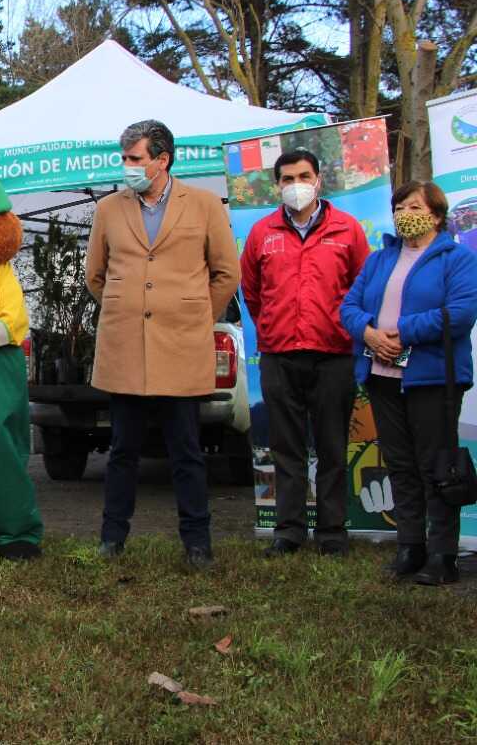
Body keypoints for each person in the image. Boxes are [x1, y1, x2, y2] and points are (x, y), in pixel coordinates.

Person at [85, 119, 241, 570]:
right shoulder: (110, 209)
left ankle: (197, 544)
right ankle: (112, 538)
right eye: (125, 158)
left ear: (162, 160)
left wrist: (195, 315)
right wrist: (127, 304)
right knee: (122, 450)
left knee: (186, 452)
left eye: (135, 158)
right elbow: (96, 274)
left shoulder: (206, 205)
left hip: (183, 343)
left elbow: (226, 272)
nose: (127, 166)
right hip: (124, 344)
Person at [341, 180, 477, 585]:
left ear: (435, 215)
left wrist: (401, 331)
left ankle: (443, 555)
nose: (404, 215)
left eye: (413, 207)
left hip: (433, 378)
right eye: (398, 207)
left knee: (435, 465)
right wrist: (369, 334)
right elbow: (349, 306)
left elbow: (461, 312)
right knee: (399, 464)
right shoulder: (381, 259)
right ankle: (409, 546)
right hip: (382, 376)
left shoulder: (456, 258)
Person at [240, 150, 370, 557]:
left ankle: (332, 533)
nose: (296, 184)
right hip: (280, 355)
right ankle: (289, 531)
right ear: (277, 184)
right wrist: (275, 327)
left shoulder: (347, 230)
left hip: (334, 354)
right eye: (287, 178)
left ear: (318, 180)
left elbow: (362, 288)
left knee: (332, 447)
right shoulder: (262, 233)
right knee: (287, 449)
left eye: (304, 175)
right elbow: (252, 292)